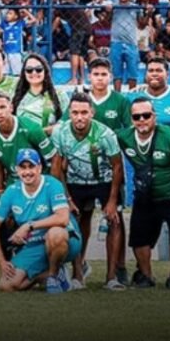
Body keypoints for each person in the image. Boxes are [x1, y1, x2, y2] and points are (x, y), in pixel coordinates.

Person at [118, 96, 170, 290]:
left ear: (154, 116)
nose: (142, 120)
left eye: (146, 115)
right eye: (137, 116)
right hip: (145, 194)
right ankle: (146, 275)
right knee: (138, 237)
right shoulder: (124, 137)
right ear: (131, 119)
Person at [51, 92, 124, 290]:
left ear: (92, 112)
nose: (79, 117)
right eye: (75, 112)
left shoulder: (105, 134)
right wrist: (65, 198)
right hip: (75, 181)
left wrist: (112, 200)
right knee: (76, 221)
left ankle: (112, 277)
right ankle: (78, 274)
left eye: (84, 112)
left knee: (115, 220)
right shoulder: (60, 132)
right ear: (69, 113)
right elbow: (57, 167)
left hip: (104, 180)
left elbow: (117, 166)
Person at [0, 149, 80, 294]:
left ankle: (53, 275)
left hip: (64, 240)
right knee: (6, 285)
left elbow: (63, 218)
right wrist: (1, 262)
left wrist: (29, 226)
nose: (27, 172)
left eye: (31, 167)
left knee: (55, 234)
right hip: (34, 244)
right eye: (23, 167)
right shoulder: (11, 191)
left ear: (39, 168)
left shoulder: (53, 184)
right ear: (17, 170)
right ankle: (51, 275)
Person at [136, 57, 170, 129]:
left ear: (168, 75)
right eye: (150, 71)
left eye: (159, 71)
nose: (154, 74)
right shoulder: (133, 97)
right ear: (146, 75)